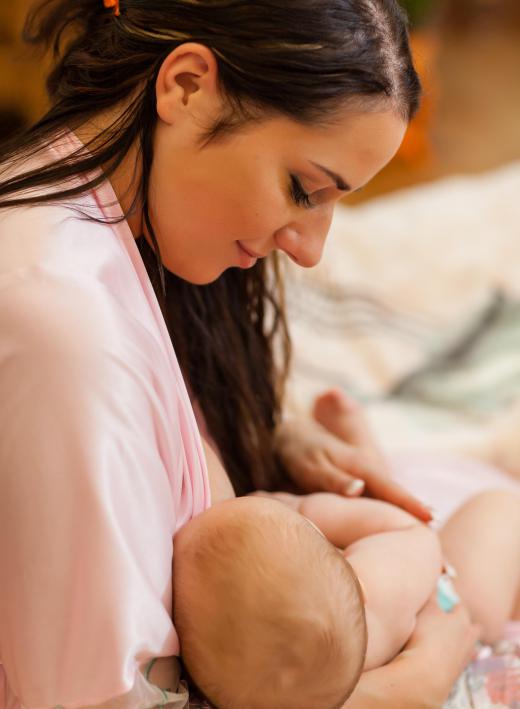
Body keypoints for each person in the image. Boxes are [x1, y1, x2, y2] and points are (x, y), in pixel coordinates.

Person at [0, 0, 479, 707]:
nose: (311, 251)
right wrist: (404, 687)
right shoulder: (60, 327)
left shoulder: (122, 231)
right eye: (302, 188)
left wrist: (271, 442)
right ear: (187, 86)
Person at [172, 487, 520, 709]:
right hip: (456, 632)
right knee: (500, 509)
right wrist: (304, 504)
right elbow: (415, 535)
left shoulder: (247, 682)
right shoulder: (371, 590)